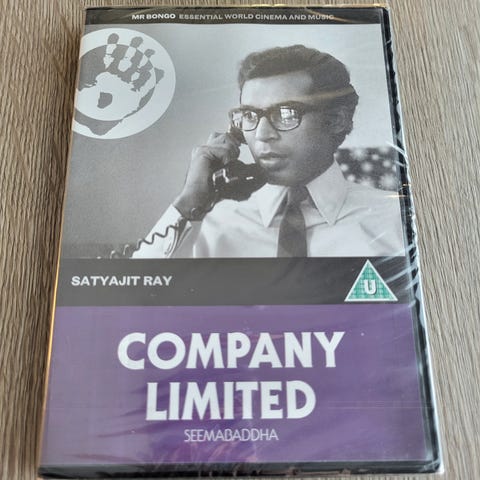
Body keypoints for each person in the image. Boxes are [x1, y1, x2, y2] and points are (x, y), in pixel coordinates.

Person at [133, 45, 404, 259]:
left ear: (336, 120)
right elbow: (134, 299)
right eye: (249, 116)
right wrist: (188, 201)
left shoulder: (395, 221)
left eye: (286, 114)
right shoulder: (210, 224)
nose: (262, 134)